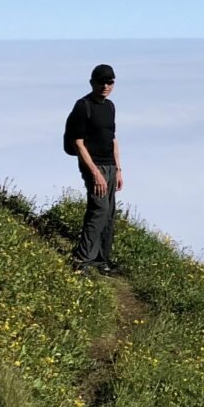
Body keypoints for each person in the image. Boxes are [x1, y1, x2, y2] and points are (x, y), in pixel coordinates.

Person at [65, 64, 123, 275]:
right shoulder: (83, 106)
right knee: (98, 211)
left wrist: (118, 169)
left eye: (110, 82)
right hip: (93, 165)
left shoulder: (110, 107)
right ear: (92, 83)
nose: (106, 86)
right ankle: (81, 259)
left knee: (108, 213)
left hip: (109, 165)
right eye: (102, 82)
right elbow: (78, 143)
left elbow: (113, 139)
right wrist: (95, 173)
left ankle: (101, 260)